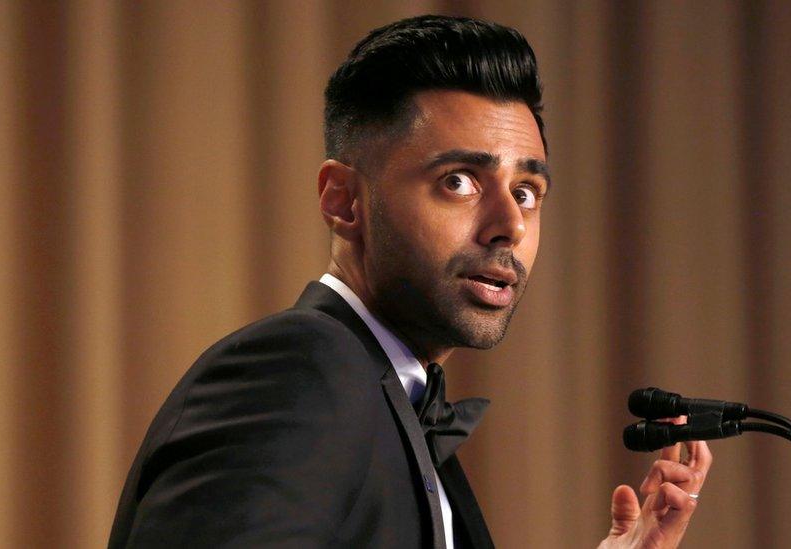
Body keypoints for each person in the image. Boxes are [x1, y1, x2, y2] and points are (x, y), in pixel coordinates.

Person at [108, 15, 712, 548]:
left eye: (526, 193)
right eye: (458, 181)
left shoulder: (392, 397)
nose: (508, 226)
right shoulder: (302, 368)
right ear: (344, 201)